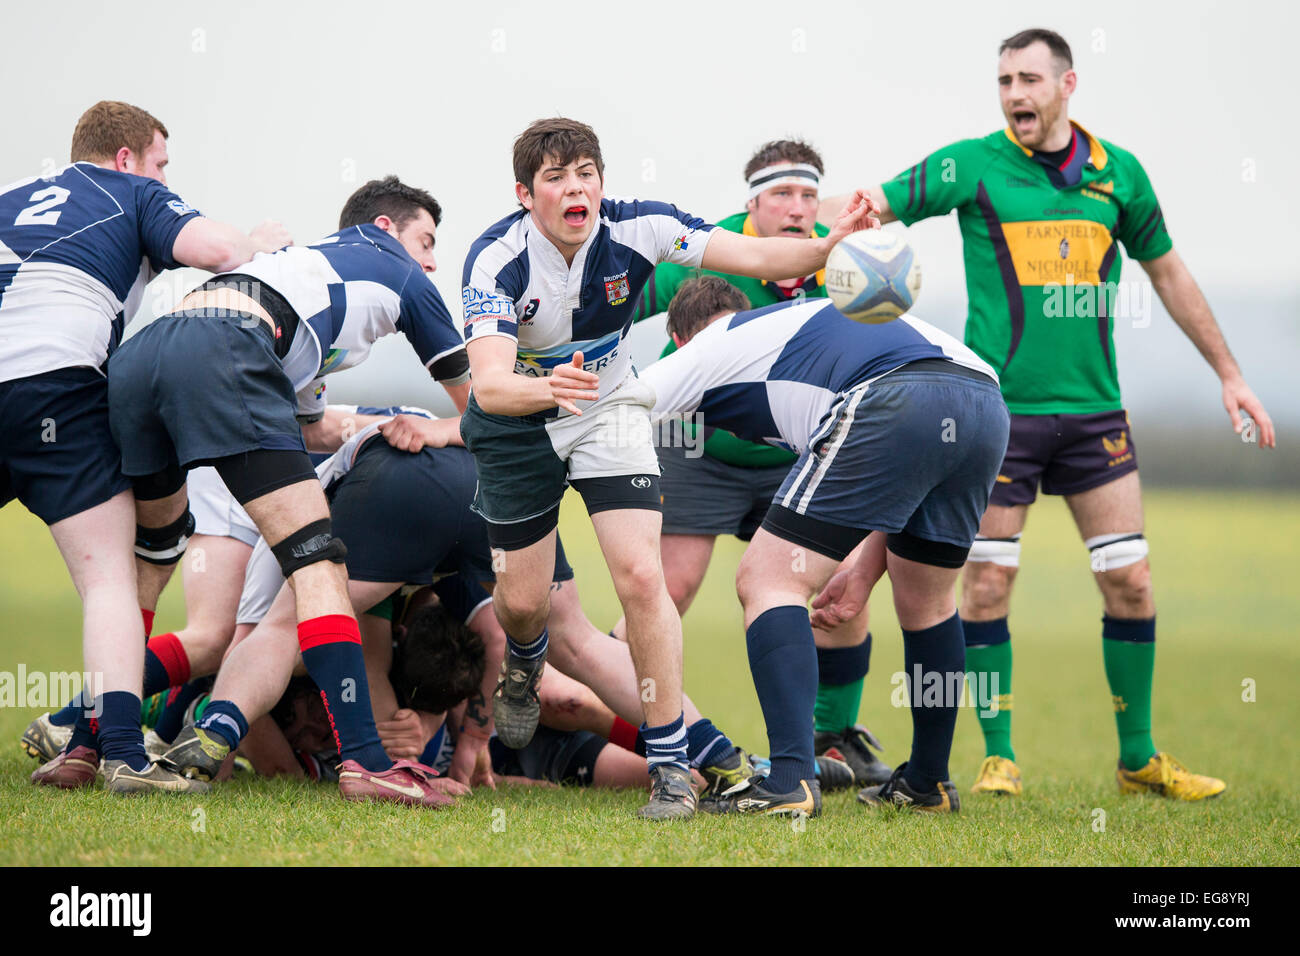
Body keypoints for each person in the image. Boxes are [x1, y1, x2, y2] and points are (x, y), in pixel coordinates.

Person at [864, 28, 1275, 799]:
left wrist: (1230, 374)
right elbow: (873, 205)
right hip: (999, 418)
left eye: (1028, 79)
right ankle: (1000, 756)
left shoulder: (1119, 175)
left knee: (1133, 582)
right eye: (1003, 81)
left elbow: (1171, 275)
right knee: (984, 588)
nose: (1014, 94)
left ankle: (1139, 759)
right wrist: (787, 238)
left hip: (1095, 416)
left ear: (1068, 84)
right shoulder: (972, 165)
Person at [460, 116, 876, 819]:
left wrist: (827, 246)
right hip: (517, 421)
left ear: (601, 182)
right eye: (556, 178)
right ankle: (525, 662)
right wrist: (548, 389)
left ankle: (671, 767)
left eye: (586, 173)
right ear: (526, 195)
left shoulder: (643, 228)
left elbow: (753, 257)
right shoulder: (495, 259)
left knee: (643, 578)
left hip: (608, 408)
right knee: (525, 604)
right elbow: (490, 386)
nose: (575, 188)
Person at [107, 176, 471, 807]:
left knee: (149, 566)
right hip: (227, 350)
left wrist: (375, 424)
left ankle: (99, 743)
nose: (433, 259)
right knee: (320, 563)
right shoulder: (403, 275)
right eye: (427, 239)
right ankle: (364, 762)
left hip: (145, 354)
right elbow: (479, 410)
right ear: (387, 230)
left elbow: (308, 427)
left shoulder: (300, 269)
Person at [3, 100, 290, 793]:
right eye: (163, 161)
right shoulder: (129, 188)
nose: (165, 174)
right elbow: (214, 252)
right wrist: (258, 242)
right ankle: (125, 756)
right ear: (129, 156)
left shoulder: (12, 201)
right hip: (57, 383)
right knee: (106, 580)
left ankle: (85, 743)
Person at [642, 277, 1010, 815]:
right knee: (929, 600)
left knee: (768, 580)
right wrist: (861, 573)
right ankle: (927, 782)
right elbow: (906, 462)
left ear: (679, 338)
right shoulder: (792, 327)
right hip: (981, 398)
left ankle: (789, 781)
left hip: (892, 395)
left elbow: (617, 407)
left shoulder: (707, 348)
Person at [620, 138, 891, 787]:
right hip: (701, 448)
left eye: (807, 194)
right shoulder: (710, 251)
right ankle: (623, 715)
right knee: (667, 588)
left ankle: (831, 738)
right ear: (752, 205)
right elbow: (616, 301)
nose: (797, 208)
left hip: (796, 450)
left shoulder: (843, 256)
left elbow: (882, 336)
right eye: (781, 195)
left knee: (843, 586)